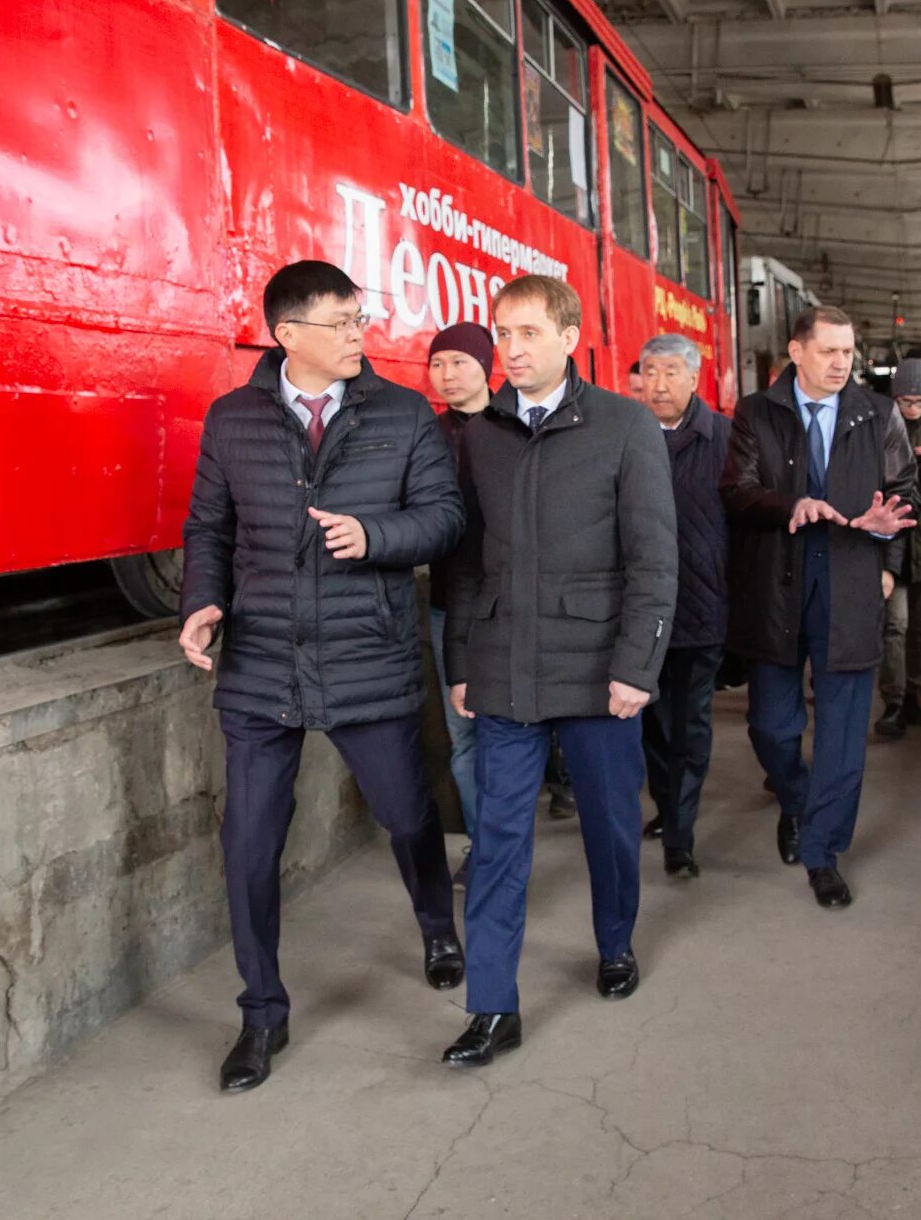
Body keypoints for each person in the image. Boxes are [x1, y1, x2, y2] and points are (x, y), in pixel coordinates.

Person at [179, 260, 465, 1093]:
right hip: (262, 660)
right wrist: (202, 602)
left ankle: (435, 925)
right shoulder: (232, 420)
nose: (356, 335)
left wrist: (375, 535)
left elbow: (445, 518)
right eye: (339, 322)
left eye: (358, 319)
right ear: (287, 335)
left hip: (364, 655)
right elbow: (208, 526)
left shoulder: (405, 413)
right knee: (249, 846)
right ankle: (262, 1011)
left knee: (409, 813)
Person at [440, 275, 677, 1066]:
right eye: (503, 333)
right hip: (507, 668)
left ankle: (615, 943)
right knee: (500, 838)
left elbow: (653, 560)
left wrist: (636, 666)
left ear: (570, 337)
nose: (511, 348)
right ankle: (493, 1006)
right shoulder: (485, 434)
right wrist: (465, 661)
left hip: (599, 673)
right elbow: (468, 564)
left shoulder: (625, 426)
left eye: (529, 332)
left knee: (610, 828)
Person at [723, 305, 916, 911]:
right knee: (772, 726)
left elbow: (905, 491)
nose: (841, 363)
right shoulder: (758, 412)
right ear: (797, 351)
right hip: (777, 584)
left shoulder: (878, 413)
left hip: (852, 580)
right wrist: (791, 506)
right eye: (829, 351)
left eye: (848, 352)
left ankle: (823, 852)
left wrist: (887, 545)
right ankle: (796, 800)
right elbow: (736, 491)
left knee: (841, 734)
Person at [636, 332, 732, 877]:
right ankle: (669, 807)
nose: (660, 384)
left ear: (695, 379)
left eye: (672, 372)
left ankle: (681, 835)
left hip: (702, 607)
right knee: (650, 721)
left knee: (691, 723)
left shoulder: (723, 437)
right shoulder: (626, 434)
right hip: (641, 615)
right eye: (651, 372)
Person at [425, 321, 495, 886]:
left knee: (511, 732)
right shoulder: (427, 435)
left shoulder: (517, 426)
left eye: (460, 363)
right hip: (449, 607)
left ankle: (507, 838)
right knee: (464, 735)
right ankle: (484, 848)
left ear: (486, 366)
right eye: (438, 364)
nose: (448, 375)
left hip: (513, 605)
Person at [874, 357, 921, 741]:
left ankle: (913, 690)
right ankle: (894, 700)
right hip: (895, 539)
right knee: (894, 624)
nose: (914, 409)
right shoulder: (881, 418)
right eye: (906, 402)